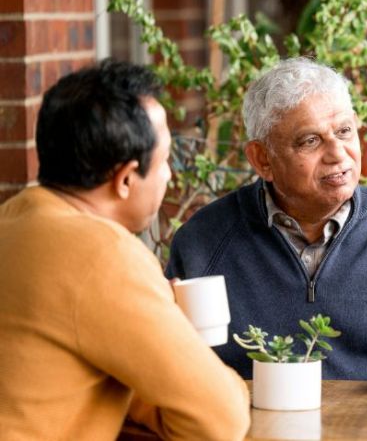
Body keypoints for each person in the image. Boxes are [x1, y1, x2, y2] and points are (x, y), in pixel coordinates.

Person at [166, 57, 367, 396]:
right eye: (310, 141)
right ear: (262, 159)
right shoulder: (203, 241)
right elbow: (169, 363)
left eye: (344, 131)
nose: (338, 153)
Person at [0, 59, 250, 440]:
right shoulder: (103, 254)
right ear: (126, 178)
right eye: (165, 160)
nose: (170, 175)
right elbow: (221, 419)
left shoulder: (13, 219)